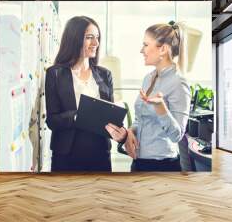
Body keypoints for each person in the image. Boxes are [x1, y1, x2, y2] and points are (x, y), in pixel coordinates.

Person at [106, 21, 191, 172]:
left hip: (163, 165)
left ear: (163, 49)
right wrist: (131, 131)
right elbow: (140, 119)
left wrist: (161, 108)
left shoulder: (179, 83)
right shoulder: (148, 78)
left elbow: (177, 136)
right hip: (139, 162)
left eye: (146, 45)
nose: (141, 50)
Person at [45, 16, 121, 172]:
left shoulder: (105, 75)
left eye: (97, 38)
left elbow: (110, 115)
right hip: (66, 155)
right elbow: (52, 120)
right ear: (74, 38)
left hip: (100, 153)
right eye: (89, 37)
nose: (96, 43)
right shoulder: (55, 74)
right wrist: (78, 115)